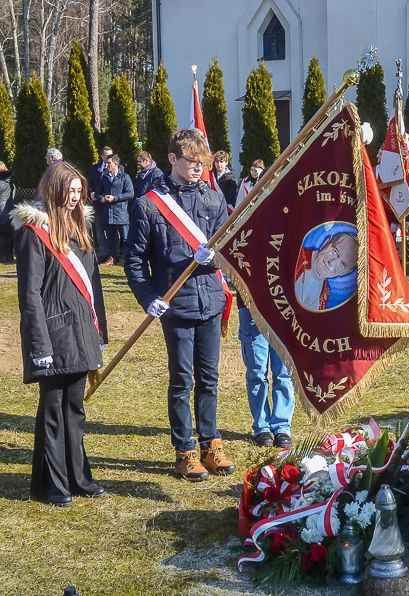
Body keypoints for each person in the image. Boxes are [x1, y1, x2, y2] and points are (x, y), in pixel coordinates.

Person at [124, 129, 236, 481]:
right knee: (182, 379)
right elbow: (135, 260)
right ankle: (184, 449)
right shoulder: (149, 205)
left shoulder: (214, 202)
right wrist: (148, 298)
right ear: (173, 159)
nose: (199, 168)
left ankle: (210, 443)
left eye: (203, 163)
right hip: (176, 305)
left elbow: (228, 250)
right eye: (192, 162)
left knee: (210, 378)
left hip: (210, 301)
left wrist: (215, 257)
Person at [11, 161, 108, 507]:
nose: (75, 197)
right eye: (70, 191)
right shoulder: (32, 233)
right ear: (53, 190)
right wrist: (39, 344)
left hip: (81, 330)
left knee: (75, 408)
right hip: (52, 333)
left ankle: (78, 477)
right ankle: (53, 483)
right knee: (52, 409)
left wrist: (100, 333)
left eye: (79, 191)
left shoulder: (81, 229)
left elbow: (92, 287)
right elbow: (30, 294)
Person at [237, 291, 295, 448]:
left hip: (285, 309)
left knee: (284, 373)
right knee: (256, 373)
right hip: (251, 307)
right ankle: (262, 427)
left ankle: (282, 427)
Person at [294, 226, 359, 311]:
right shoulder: (297, 257)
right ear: (326, 243)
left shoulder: (325, 293)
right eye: (335, 252)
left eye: (342, 264)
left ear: (345, 273)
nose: (331, 263)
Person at [98, 154, 134, 265]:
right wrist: (102, 199)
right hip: (108, 212)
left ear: (116, 164)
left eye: (109, 163)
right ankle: (113, 257)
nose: (107, 165)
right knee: (110, 237)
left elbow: (130, 194)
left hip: (121, 212)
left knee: (126, 237)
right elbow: (98, 192)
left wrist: (115, 198)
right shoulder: (104, 177)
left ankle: (129, 258)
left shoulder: (124, 177)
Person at [88, 146, 113, 261]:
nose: (109, 157)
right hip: (98, 203)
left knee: (111, 229)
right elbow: (89, 183)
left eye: (111, 155)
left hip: (111, 204)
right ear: (102, 156)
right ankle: (103, 253)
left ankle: (113, 254)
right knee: (99, 229)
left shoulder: (117, 167)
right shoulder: (94, 168)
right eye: (107, 155)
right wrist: (91, 193)